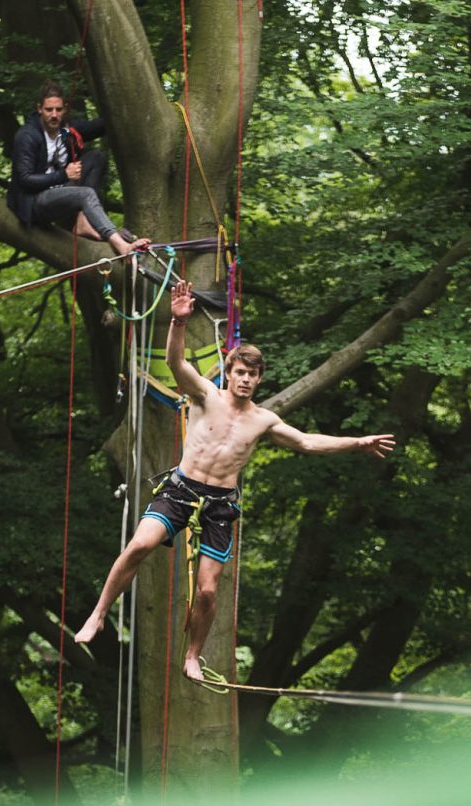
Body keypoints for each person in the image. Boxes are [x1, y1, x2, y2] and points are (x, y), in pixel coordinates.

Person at [76, 280, 397, 683]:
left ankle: (193, 656)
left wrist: (358, 442)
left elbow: (308, 442)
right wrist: (178, 322)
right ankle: (99, 614)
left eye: (253, 375)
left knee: (209, 591)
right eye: (240, 372)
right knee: (140, 544)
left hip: (220, 505)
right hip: (181, 490)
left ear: (260, 380)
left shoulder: (263, 420)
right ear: (229, 373)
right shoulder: (205, 396)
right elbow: (177, 365)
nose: (245, 380)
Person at [9, 82, 148, 255]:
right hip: (36, 202)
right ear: (40, 109)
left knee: (96, 157)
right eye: (49, 110)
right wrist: (63, 175)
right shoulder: (27, 136)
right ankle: (121, 246)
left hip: (62, 192)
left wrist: (129, 109)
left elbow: (97, 127)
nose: (54, 115)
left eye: (58, 110)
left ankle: (83, 221)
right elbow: (25, 179)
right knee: (85, 194)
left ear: (64, 109)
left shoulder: (67, 130)